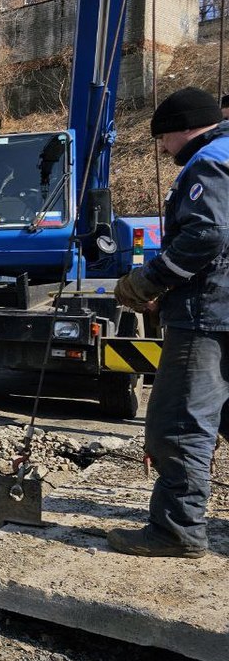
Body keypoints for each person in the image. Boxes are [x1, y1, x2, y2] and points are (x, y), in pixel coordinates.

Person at [110, 86, 229, 559]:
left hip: (208, 318)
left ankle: (176, 531)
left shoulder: (209, 162)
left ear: (183, 130)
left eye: (163, 139)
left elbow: (208, 233)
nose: (163, 150)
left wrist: (151, 281)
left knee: (180, 423)